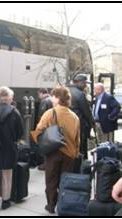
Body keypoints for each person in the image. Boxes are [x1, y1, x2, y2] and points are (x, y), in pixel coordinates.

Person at [31, 86, 80, 214]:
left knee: (51, 181)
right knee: (65, 181)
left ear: (58, 98)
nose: (52, 99)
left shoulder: (50, 113)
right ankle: (64, 205)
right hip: (69, 153)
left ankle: (51, 205)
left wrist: (40, 143)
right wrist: (75, 152)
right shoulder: (74, 116)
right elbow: (77, 138)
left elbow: (39, 131)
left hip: (53, 153)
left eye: (53, 96)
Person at [67, 73, 94, 159]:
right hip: (79, 125)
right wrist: (92, 123)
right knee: (81, 147)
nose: (86, 86)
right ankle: (81, 164)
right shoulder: (80, 94)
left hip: (67, 124)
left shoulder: (66, 90)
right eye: (85, 83)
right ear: (80, 82)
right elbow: (87, 112)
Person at [37, 88, 53, 171]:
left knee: (44, 146)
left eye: (38, 94)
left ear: (41, 93)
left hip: (45, 127)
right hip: (52, 127)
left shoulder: (44, 101)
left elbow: (42, 115)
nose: (39, 97)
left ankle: (45, 164)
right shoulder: (52, 100)